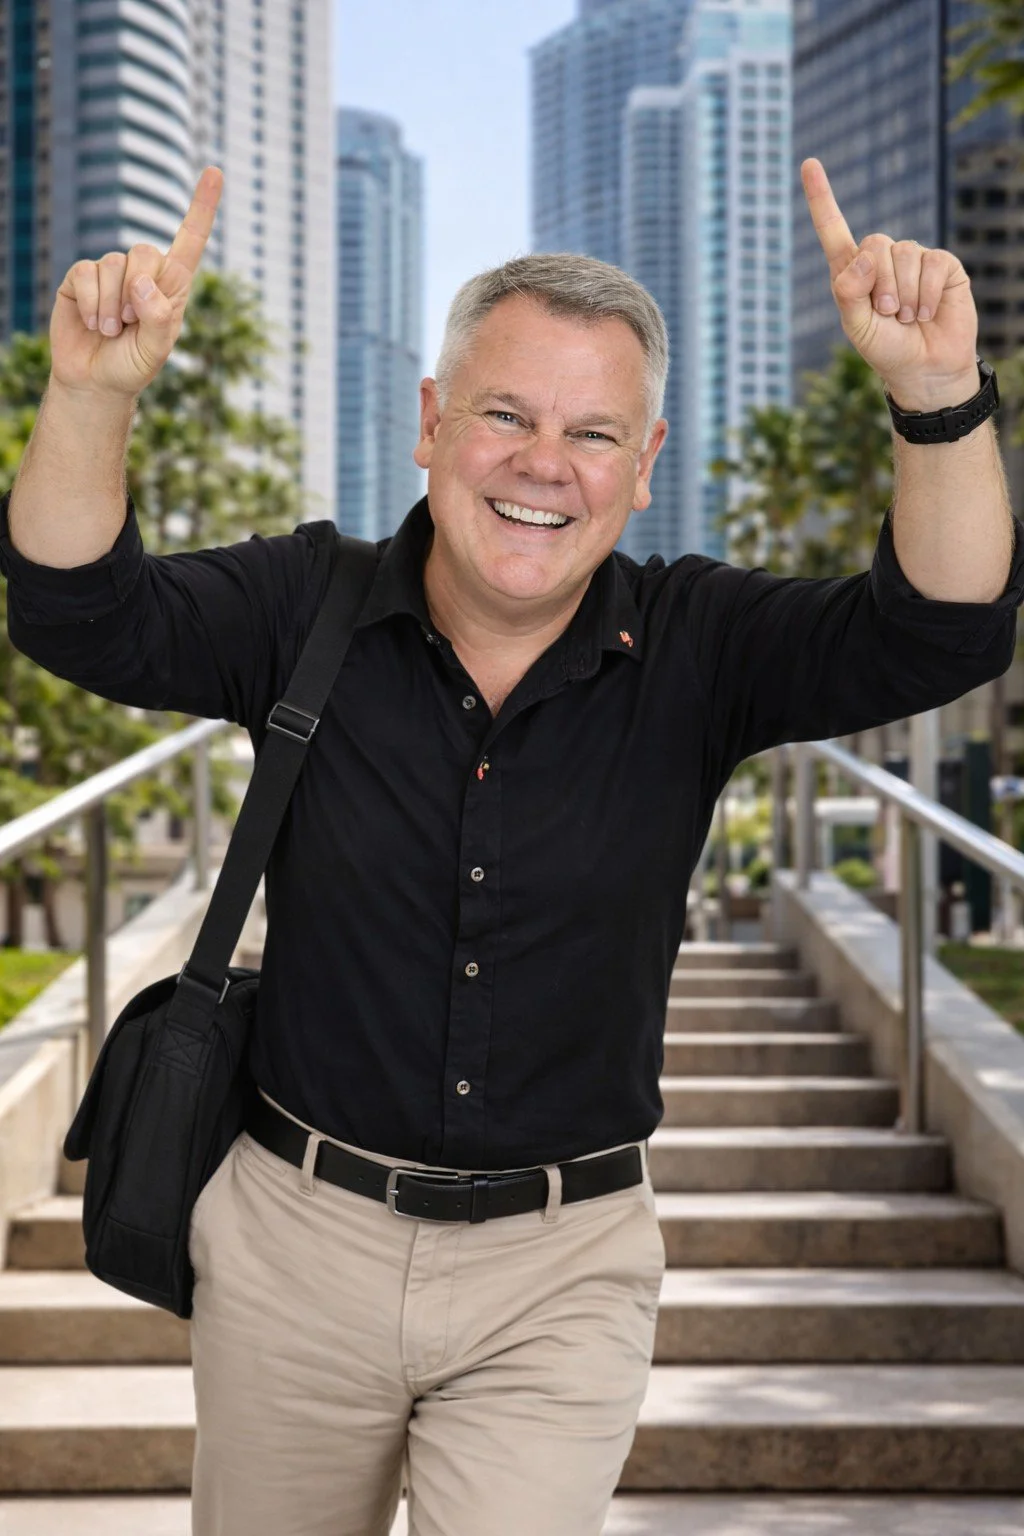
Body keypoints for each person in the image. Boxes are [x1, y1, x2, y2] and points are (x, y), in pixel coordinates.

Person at [1, 159, 1021, 1536]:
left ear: (645, 468)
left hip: (565, 1267)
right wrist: (93, 392)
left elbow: (944, 629)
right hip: (295, 1240)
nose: (547, 464)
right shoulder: (304, 604)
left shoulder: (699, 646)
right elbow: (76, 612)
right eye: (505, 414)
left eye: (596, 434)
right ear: (431, 425)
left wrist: (937, 395)